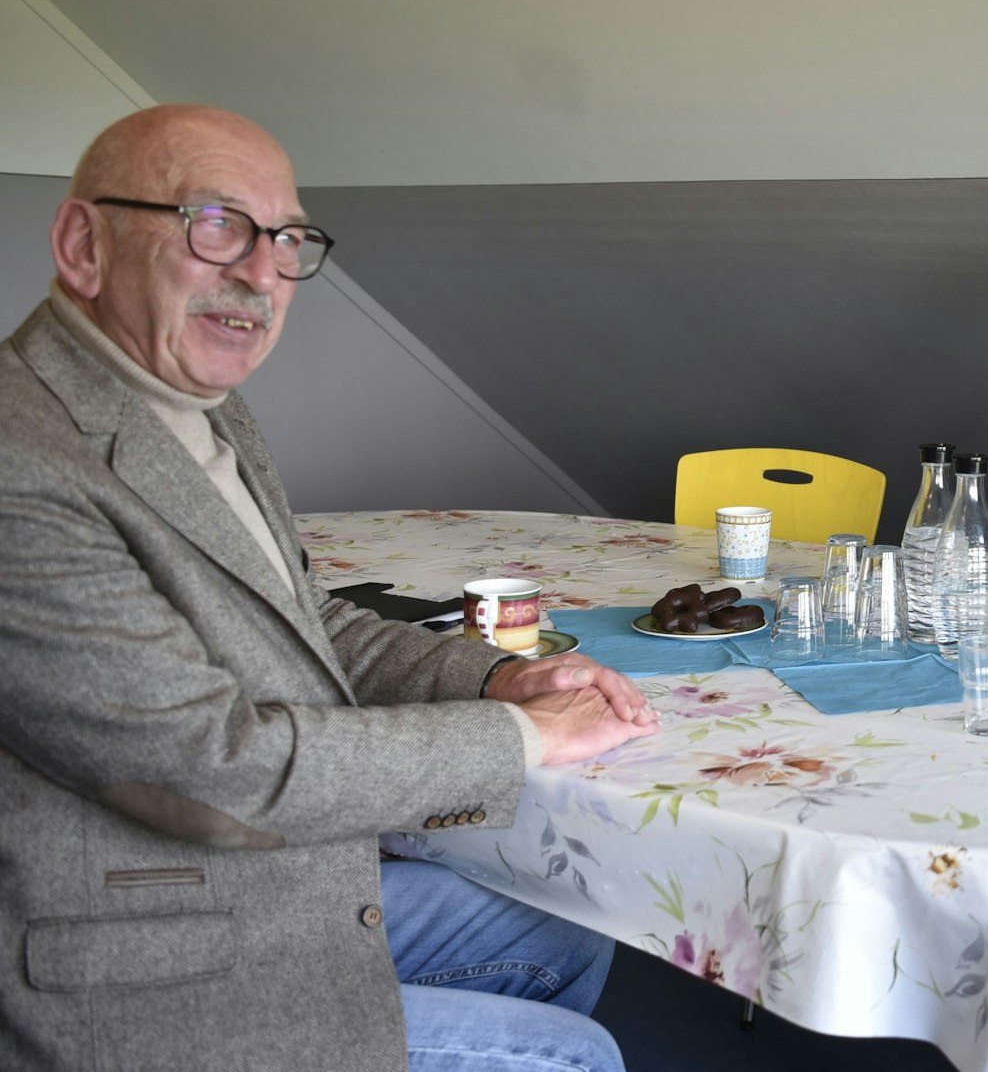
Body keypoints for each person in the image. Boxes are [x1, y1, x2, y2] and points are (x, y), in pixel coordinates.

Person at [0, 105, 659, 1071]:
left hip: (250, 880)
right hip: (136, 965)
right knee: (573, 1054)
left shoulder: (200, 409)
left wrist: (490, 681)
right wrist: (521, 738)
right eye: (215, 224)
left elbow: (308, 622)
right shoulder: (24, 460)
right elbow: (216, 770)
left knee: (565, 931)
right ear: (82, 244)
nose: (262, 273)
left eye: (288, 239)